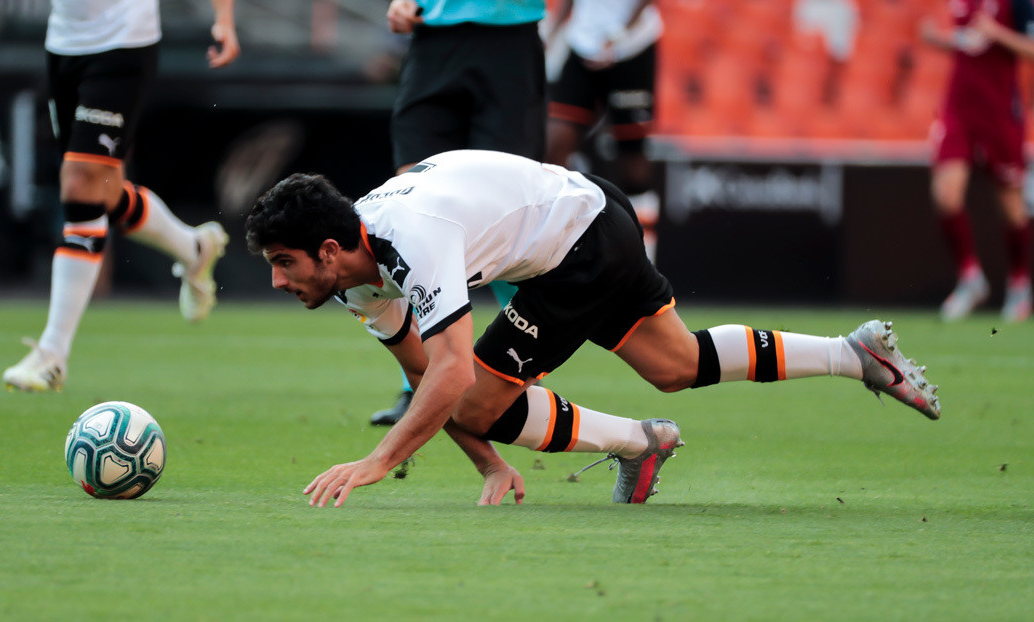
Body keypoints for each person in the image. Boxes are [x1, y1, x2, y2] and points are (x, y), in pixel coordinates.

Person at [244, 149, 941, 508]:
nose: (279, 282)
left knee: (478, 391)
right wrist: (490, 462)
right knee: (676, 364)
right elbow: (426, 375)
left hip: (577, 243)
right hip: (583, 211)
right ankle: (855, 356)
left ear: (329, 251)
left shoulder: (411, 239)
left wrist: (378, 462)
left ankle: (640, 444)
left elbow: (454, 377)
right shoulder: (357, 273)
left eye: (284, 263)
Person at [2, 0, 240, 392]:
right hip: (63, 43)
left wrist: (224, 21)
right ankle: (195, 248)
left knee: (80, 184)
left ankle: (52, 354)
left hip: (123, 42)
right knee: (104, 192)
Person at [369, 0, 548, 425]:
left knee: (506, 215)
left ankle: (523, 371)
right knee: (408, 212)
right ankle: (416, 387)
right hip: (432, 40)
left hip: (509, 39)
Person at [920, 0, 1034, 323]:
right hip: (959, 108)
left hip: (1000, 111)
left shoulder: (1020, 4)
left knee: (1010, 203)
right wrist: (940, 39)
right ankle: (970, 278)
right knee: (945, 195)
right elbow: (969, 44)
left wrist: (997, 33)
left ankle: (1020, 284)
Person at [544, 0, 663, 260]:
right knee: (554, 145)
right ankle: (555, 254)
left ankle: (644, 260)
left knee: (633, 160)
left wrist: (618, 34)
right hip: (581, 42)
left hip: (631, 47)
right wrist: (551, 31)